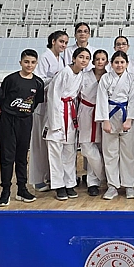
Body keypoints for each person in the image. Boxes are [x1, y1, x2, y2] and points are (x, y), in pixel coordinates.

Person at [0, 49, 44, 207]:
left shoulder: (38, 83)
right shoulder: (10, 79)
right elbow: (2, 100)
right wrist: (11, 112)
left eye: (32, 62)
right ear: (20, 62)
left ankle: (22, 189)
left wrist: (24, 112)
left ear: (36, 64)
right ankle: (5, 191)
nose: (29, 65)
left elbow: (35, 103)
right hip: (8, 120)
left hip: (26, 121)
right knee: (7, 157)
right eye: (26, 62)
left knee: (22, 157)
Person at [45, 47, 91, 201]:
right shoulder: (64, 73)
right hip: (57, 114)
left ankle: (69, 183)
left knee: (70, 152)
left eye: (86, 58)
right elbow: (53, 97)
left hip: (71, 114)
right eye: (81, 57)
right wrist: (54, 122)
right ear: (74, 58)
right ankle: (59, 186)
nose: (84, 60)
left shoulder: (81, 75)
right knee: (56, 153)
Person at [97, 51, 134, 200]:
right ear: (111, 64)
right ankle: (112, 185)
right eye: (116, 62)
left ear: (127, 64)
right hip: (110, 114)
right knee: (110, 153)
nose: (119, 65)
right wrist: (105, 120)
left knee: (128, 153)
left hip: (126, 115)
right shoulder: (105, 78)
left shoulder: (132, 79)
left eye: (122, 62)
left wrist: (130, 119)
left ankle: (129, 185)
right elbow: (101, 99)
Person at [31, 30, 68, 192]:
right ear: (53, 41)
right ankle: (37, 178)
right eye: (61, 41)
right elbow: (38, 82)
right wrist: (56, 78)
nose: (64, 45)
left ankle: (50, 176)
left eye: (66, 42)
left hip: (55, 106)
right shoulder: (45, 57)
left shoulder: (61, 59)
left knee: (52, 144)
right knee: (39, 144)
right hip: (42, 105)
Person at [78, 49, 108, 196]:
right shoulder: (84, 76)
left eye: (103, 59)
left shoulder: (110, 76)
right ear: (93, 61)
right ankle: (104, 176)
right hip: (86, 111)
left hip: (104, 113)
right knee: (87, 148)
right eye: (97, 59)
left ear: (107, 62)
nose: (100, 62)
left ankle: (93, 182)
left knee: (102, 147)